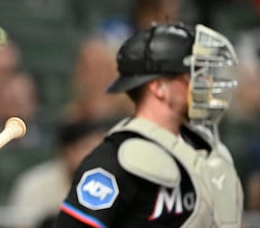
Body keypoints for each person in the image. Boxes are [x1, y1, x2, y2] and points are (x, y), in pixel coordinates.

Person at [53, 22, 244, 227]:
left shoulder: (205, 149)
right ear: (158, 87)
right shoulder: (114, 161)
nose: (205, 82)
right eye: (191, 73)